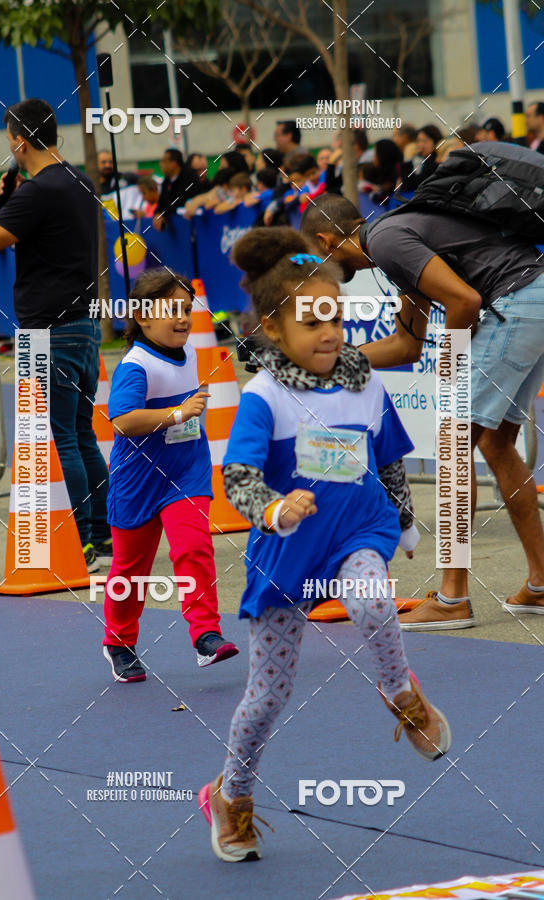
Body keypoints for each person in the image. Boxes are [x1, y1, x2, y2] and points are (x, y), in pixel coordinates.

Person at [197, 226, 451, 862]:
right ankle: (232, 794)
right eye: (311, 323)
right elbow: (238, 478)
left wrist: (404, 520)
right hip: (288, 554)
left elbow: (388, 458)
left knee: (370, 600)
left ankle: (399, 691)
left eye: (335, 318)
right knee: (267, 698)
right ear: (273, 330)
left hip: (357, 530)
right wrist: (275, 509)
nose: (329, 333)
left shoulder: (366, 384)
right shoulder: (264, 397)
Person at [301, 192, 544, 629]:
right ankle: (541, 583)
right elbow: (406, 345)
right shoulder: (394, 242)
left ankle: (452, 600)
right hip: (533, 297)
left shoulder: (387, 239)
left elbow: (465, 302)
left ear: (324, 241)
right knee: (495, 444)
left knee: (452, 444)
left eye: (314, 258)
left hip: (516, 301)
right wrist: (325, 361)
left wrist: (450, 366)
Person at [0, 98, 111, 573]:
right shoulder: (78, 180)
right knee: (81, 435)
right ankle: (104, 535)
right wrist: (8, 202)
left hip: (47, 330)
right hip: (82, 326)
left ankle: (80, 542)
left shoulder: (40, 191)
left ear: (20, 142)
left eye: (9, 140)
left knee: (61, 439)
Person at [102, 268, 239, 681]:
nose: (182, 318)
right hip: (138, 480)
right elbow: (122, 421)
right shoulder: (136, 365)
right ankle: (119, 642)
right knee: (130, 569)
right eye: (171, 310)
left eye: (186, 309)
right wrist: (177, 414)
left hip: (186, 473)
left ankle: (205, 634)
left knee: (194, 548)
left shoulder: (190, 352)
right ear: (143, 317)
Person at [154, 149, 205, 231]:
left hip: (194, 225)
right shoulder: (166, 181)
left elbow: (179, 201)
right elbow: (161, 203)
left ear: (173, 163)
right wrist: (157, 214)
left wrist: (163, 214)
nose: (160, 164)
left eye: (164, 161)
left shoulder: (190, 177)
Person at [400, 124, 442, 191]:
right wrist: (408, 159)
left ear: (435, 142)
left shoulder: (438, 161)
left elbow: (414, 186)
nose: (420, 145)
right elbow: (406, 186)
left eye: (424, 141)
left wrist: (408, 161)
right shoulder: (420, 159)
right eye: (418, 141)